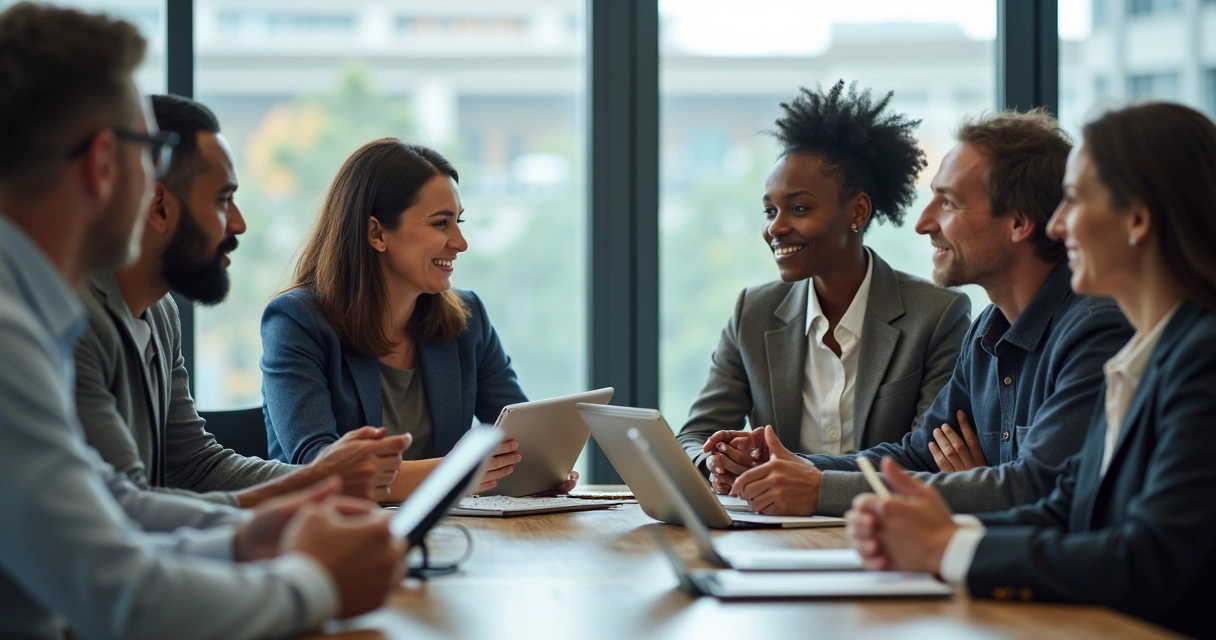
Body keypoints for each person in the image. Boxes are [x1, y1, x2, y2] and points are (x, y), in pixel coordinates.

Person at [0, 4, 401, 639]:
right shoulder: (9, 337)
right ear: (104, 162)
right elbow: (123, 598)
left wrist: (247, 538)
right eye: (149, 150)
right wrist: (316, 582)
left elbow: (114, 511)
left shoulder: (35, 313)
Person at [845, 102, 1216, 638]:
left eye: (1074, 200)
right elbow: (1065, 507)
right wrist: (930, 528)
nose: (1058, 225)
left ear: (1136, 219)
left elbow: (1145, 560)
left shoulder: (1199, 358)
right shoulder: (1148, 357)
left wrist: (947, 545)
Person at [709, 109, 1133, 517]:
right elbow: (918, 455)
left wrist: (819, 490)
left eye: (947, 203)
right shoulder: (987, 330)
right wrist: (798, 469)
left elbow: (1034, 487)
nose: (923, 222)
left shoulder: (1094, 329)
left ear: (1019, 223)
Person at [73, 93, 408, 507]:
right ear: (158, 205)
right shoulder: (74, 323)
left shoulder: (160, 314)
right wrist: (318, 483)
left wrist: (321, 480)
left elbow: (194, 466)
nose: (239, 223)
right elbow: (128, 510)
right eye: (222, 200)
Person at [677, 80, 971, 486]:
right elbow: (694, 436)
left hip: (885, 525)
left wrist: (800, 474)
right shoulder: (754, 312)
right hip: (772, 530)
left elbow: (926, 455)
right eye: (770, 211)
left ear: (858, 210)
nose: (775, 228)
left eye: (798, 208)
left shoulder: (936, 315)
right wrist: (716, 463)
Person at [261, 138, 576, 497]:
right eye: (441, 224)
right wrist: (456, 472)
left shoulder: (468, 319)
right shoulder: (295, 321)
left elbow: (519, 438)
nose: (461, 242)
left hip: (449, 537)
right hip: (330, 538)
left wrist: (539, 469)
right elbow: (320, 470)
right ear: (377, 233)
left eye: (458, 221)